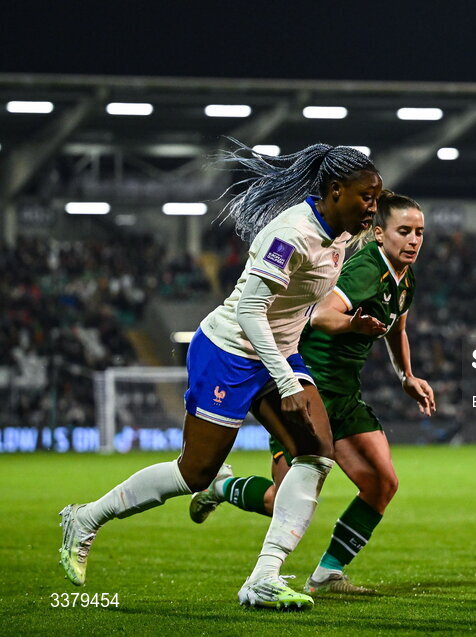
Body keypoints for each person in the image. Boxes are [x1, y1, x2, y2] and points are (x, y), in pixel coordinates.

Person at [58, 140, 382, 610]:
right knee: (194, 473)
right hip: (229, 350)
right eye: (366, 197)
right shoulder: (291, 233)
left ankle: (264, 577)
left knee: (316, 453)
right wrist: (288, 382)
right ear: (334, 191)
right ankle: (85, 518)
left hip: (278, 352)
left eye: (376, 197)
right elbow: (251, 311)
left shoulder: (344, 231)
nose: (372, 206)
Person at [187, 191, 434, 596]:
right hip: (307, 386)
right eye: (404, 231)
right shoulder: (365, 270)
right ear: (377, 234)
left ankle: (327, 574)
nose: (413, 240)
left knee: (382, 483)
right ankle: (220, 488)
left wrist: (406, 375)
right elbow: (321, 314)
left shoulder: (404, 277)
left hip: (345, 393)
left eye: (419, 232)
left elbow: (398, 328)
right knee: (277, 503)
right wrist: (353, 325)